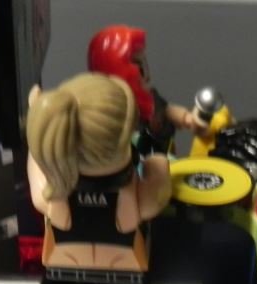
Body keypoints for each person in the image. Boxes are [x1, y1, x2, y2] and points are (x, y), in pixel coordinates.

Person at [26, 72, 171, 272]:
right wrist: (159, 166)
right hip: (125, 264)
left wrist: (44, 137)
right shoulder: (132, 203)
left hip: (65, 263)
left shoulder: (53, 198)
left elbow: (35, 161)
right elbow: (156, 195)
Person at [87, 25, 207, 156]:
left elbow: (167, 110)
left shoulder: (151, 101)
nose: (146, 75)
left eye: (143, 64)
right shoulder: (105, 115)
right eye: (139, 66)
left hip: (163, 159)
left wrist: (188, 119)